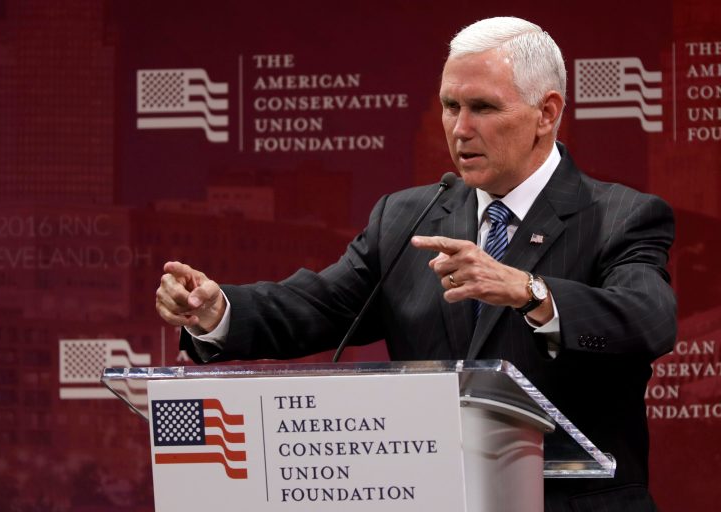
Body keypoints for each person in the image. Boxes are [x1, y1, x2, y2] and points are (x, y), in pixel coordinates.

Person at [156, 16, 676, 511]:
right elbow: (319, 305)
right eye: (450, 106)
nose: (460, 128)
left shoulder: (619, 216)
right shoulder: (409, 216)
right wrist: (216, 309)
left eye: (484, 108)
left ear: (546, 112)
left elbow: (648, 318)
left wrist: (529, 291)